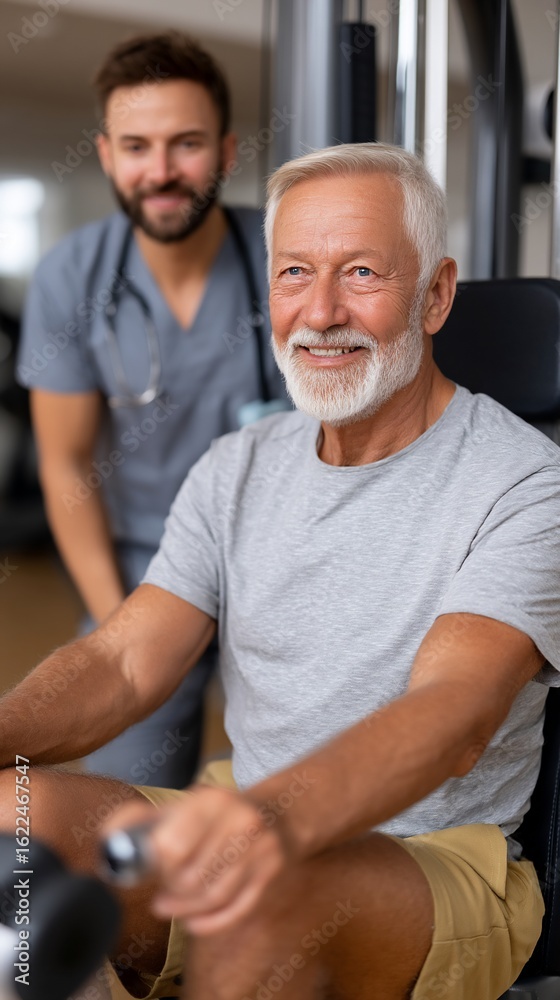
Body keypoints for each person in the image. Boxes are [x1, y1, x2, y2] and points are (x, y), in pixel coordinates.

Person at [2, 141, 559, 1000]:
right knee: (14, 816)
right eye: (296, 273)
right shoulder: (238, 464)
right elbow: (123, 662)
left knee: (259, 899)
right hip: (242, 813)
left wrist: (265, 826)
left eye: (363, 272)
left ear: (436, 294)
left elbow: (454, 716)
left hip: (436, 860)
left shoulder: (527, 483)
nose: (321, 310)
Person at [16, 31, 288, 788]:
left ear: (229, 151)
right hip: (140, 571)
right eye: (137, 146)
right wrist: (117, 625)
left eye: (187, 144)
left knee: (296, 799)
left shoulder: (283, 258)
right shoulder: (73, 276)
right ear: (105, 155)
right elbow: (67, 463)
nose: (161, 171)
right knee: (120, 805)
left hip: (280, 565)